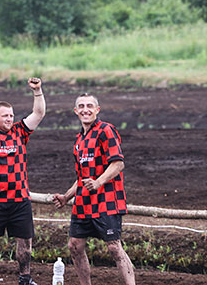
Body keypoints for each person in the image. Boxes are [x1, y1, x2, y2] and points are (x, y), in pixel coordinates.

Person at [53, 93, 135, 285]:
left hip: (106, 201)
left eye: (90, 106)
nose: (85, 109)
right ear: (76, 111)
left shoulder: (106, 130)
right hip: (83, 203)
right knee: (75, 245)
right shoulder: (78, 140)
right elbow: (81, 178)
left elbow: (118, 164)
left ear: (97, 110)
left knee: (114, 247)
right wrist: (66, 197)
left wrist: (98, 182)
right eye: (81, 106)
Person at [0, 76, 46, 285]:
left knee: (25, 240)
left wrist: (37, 90)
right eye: (5, 116)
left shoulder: (20, 132)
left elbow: (39, 113)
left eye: (11, 115)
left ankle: (25, 278)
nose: (10, 119)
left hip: (19, 197)